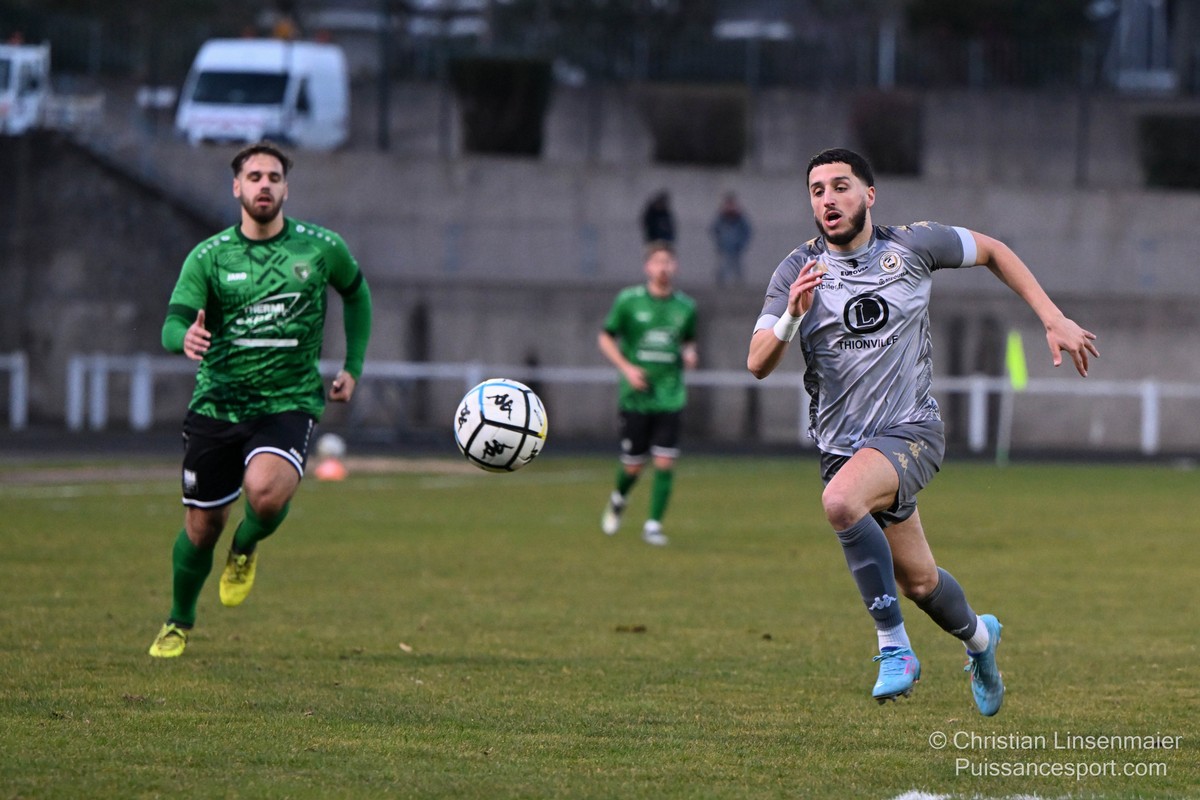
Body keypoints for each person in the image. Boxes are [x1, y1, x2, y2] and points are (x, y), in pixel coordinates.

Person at [746, 148, 1098, 715]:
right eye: (817, 190)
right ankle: (981, 641)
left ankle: (894, 648)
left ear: (869, 195)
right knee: (919, 583)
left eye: (840, 186)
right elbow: (757, 363)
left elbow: (993, 250)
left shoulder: (912, 246)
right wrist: (792, 314)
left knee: (840, 503)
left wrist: (1052, 317)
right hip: (843, 450)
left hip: (912, 430)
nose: (829, 199)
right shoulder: (796, 270)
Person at [148, 141, 373, 658]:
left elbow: (357, 294)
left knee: (266, 494)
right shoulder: (209, 257)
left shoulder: (321, 248)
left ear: (286, 188)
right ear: (237, 187)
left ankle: (246, 544)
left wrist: (353, 366)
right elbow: (171, 325)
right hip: (218, 405)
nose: (264, 185)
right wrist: (184, 338)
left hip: (288, 402)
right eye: (254, 177)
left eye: (273, 177)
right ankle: (179, 620)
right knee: (202, 527)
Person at [598, 240, 698, 546]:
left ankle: (653, 525)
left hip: (670, 395)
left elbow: (688, 341)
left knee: (665, 462)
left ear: (675, 266)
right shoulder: (629, 301)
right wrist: (627, 369)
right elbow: (605, 337)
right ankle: (619, 497)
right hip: (636, 397)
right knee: (633, 465)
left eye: (667, 262)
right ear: (647, 267)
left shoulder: (686, 307)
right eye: (657, 262)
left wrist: (690, 353)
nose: (662, 268)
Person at [710, 191, 752, 285]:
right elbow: (714, 229)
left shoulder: (740, 218)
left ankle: (738, 282)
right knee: (723, 264)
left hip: (736, 246)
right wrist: (719, 242)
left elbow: (747, 231)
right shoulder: (721, 217)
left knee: (737, 264)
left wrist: (741, 243)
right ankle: (721, 281)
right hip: (724, 246)